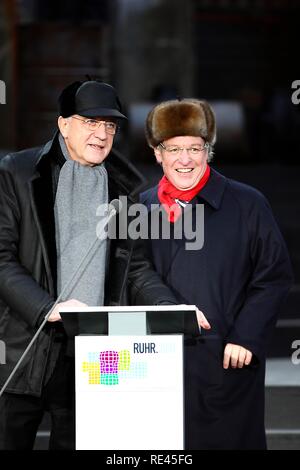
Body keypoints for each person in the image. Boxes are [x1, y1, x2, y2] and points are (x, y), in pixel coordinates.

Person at [0, 80, 202, 450]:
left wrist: (168, 306)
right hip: (22, 347)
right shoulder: (17, 172)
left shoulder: (124, 189)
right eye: (90, 122)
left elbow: (135, 267)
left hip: (94, 355)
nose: (101, 133)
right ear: (63, 125)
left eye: (110, 125)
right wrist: (50, 308)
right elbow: (1, 259)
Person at [141, 98, 293, 450]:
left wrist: (246, 337)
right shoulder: (142, 206)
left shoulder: (247, 202)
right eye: (174, 149)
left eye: (195, 148)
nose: (185, 159)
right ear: (156, 152)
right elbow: (136, 275)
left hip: (227, 356)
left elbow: (273, 275)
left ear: (208, 150)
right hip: (158, 360)